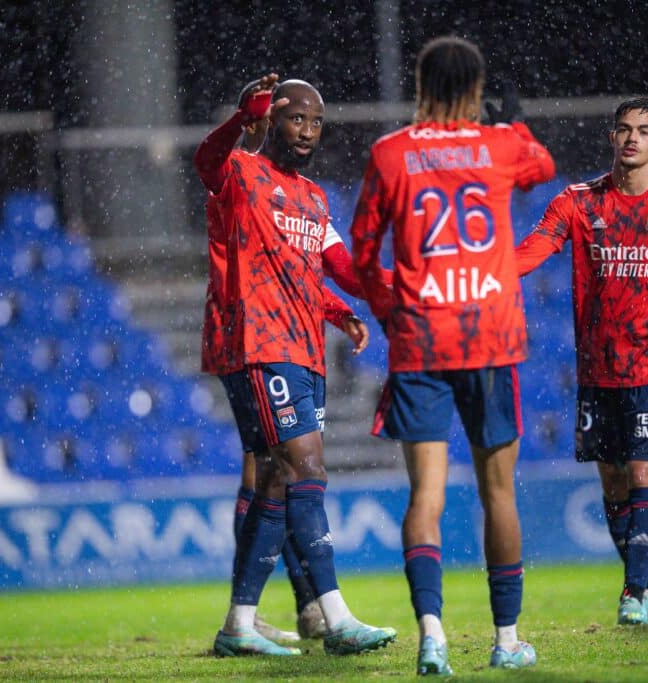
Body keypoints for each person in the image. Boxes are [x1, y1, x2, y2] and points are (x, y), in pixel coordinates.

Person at [351, 36, 556, 674]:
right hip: (489, 337)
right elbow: (544, 165)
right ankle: (505, 639)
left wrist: (391, 309)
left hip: (421, 340)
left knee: (425, 498)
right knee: (499, 495)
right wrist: (509, 121)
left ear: (419, 84)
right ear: (474, 87)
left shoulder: (389, 154)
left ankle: (432, 636)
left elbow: (362, 253)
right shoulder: (498, 147)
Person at [194, 74, 396, 657]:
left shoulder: (313, 197)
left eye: (315, 122)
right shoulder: (240, 172)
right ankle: (333, 616)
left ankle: (240, 622)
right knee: (305, 468)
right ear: (271, 120)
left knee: (277, 479)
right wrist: (240, 120)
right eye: (295, 118)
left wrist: (370, 298)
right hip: (260, 343)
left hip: (305, 349)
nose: (307, 131)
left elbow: (333, 268)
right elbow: (206, 160)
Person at [514, 97, 648, 626]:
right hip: (599, 369)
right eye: (624, 130)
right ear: (611, 139)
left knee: (643, 471)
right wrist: (487, 271)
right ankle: (647, 583)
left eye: (644, 131)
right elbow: (532, 251)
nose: (632, 138)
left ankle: (633, 592)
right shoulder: (577, 202)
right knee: (613, 483)